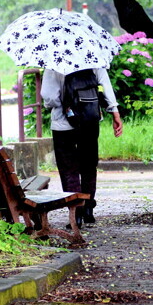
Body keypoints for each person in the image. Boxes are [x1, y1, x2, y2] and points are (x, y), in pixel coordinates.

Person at [41, 67, 122, 226]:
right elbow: (105, 85)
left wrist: (63, 103)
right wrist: (115, 112)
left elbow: (49, 97)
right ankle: (88, 209)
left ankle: (76, 214)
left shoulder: (54, 62)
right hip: (90, 120)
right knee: (89, 164)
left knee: (68, 169)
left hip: (62, 124)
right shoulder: (92, 58)